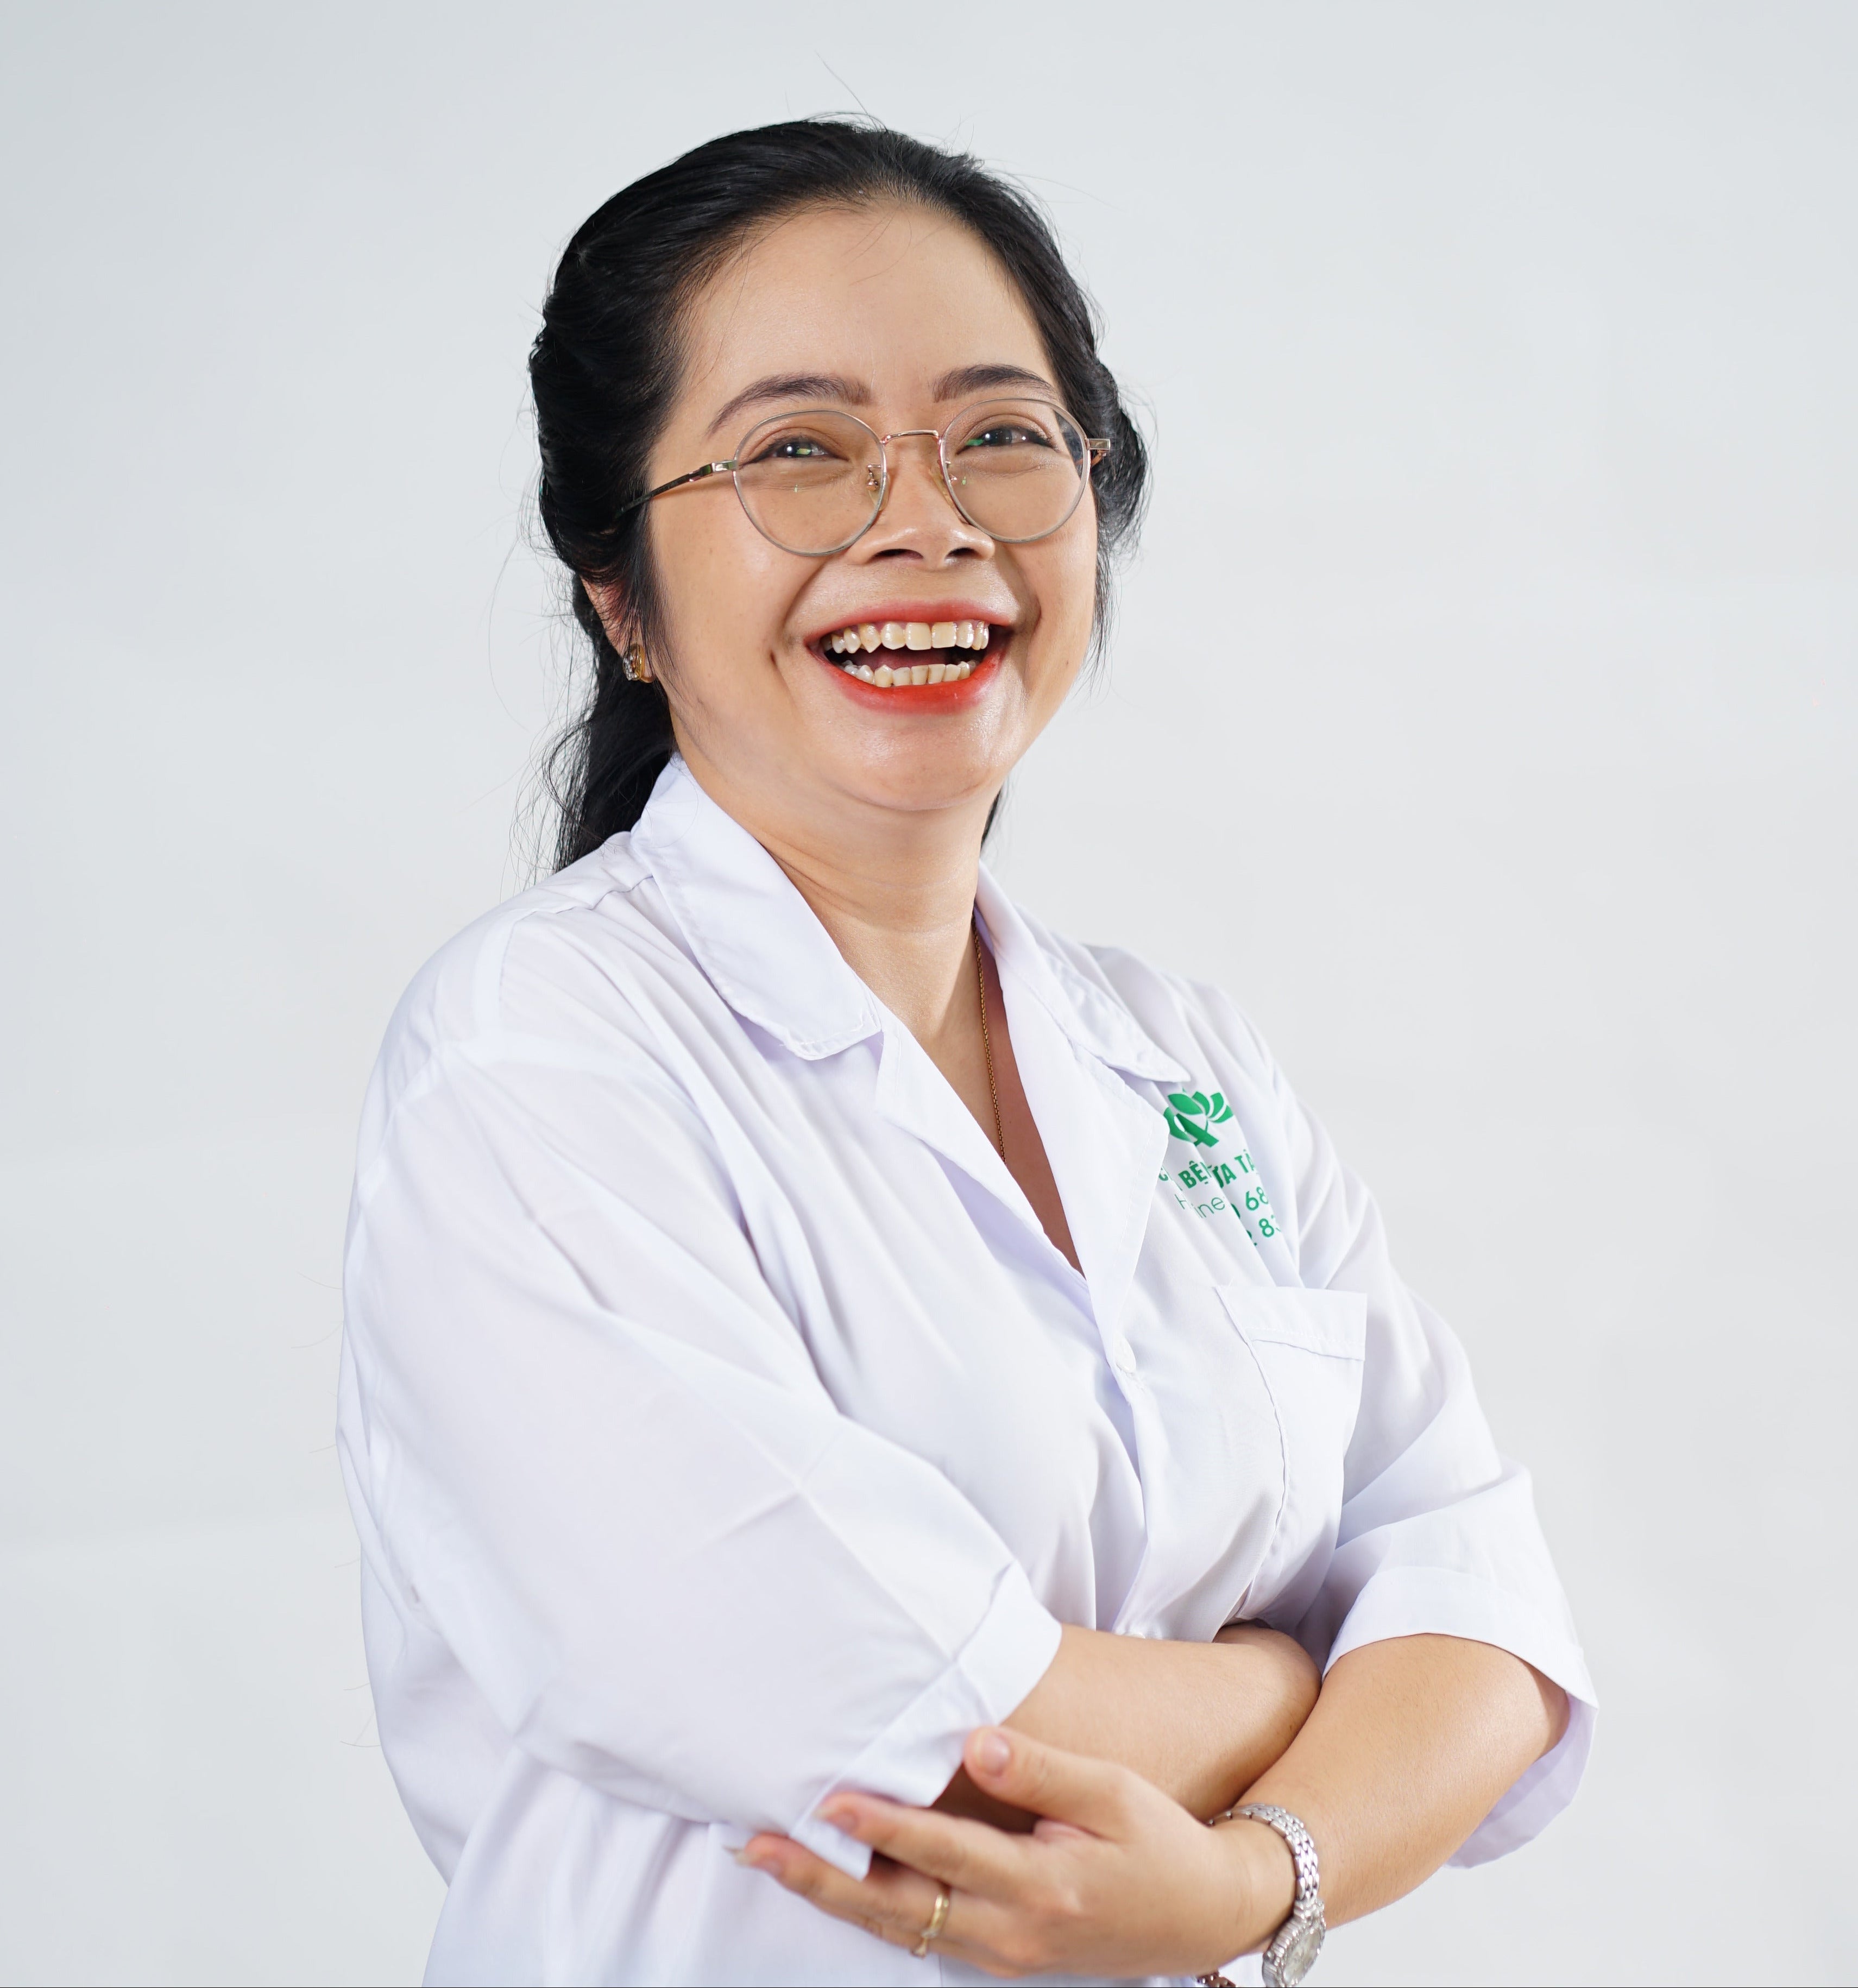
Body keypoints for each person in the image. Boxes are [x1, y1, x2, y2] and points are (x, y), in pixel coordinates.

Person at [337, 119, 1594, 1987]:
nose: (924, 524)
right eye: (799, 452)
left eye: (1002, 437)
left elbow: (1493, 1631)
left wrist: (1257, 1879)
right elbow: (906, 1724)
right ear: (622, 596)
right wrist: (1305, 1685)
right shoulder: (538, 1061)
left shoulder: (1186, 1062)